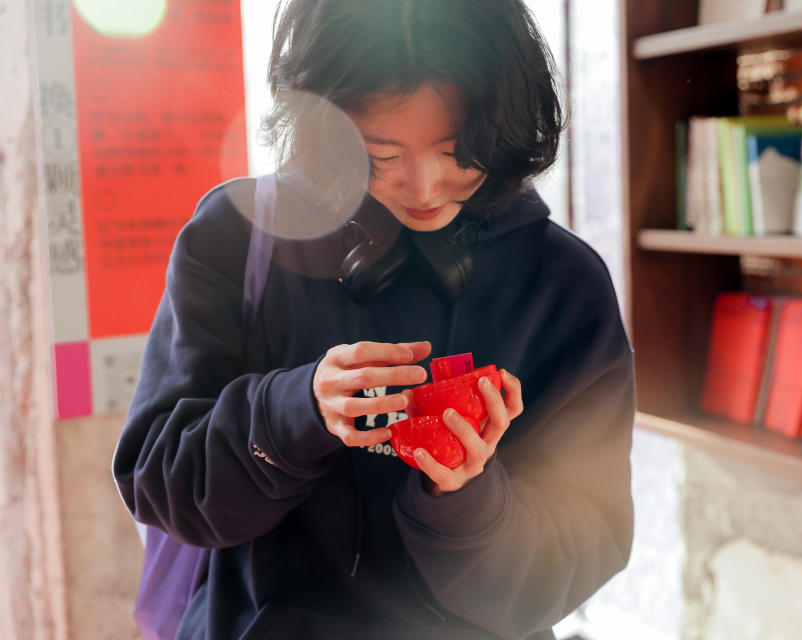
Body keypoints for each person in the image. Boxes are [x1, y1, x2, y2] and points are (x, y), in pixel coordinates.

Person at [112, 1, 636, 638]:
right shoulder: (239, 236)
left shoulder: (564, 282)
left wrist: (468, 500)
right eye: (380, 156)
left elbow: (588, 543)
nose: (423, 189)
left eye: (459, 153)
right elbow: (158, 480)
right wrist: (293, 412)